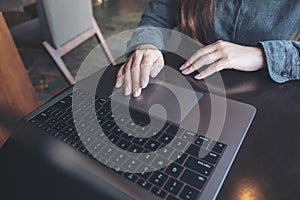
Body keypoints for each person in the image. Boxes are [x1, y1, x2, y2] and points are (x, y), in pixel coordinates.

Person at [115, 0, 300, 97]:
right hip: (192, 85)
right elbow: (157, 16)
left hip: (271, 95)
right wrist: (147, 45)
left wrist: (262, 55)